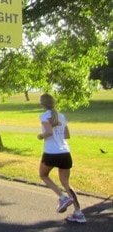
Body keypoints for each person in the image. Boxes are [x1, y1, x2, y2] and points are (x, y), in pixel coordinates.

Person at [37, 93, 85, 223]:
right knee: (66, 183)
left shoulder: (44, 116)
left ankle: (62, 197)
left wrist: (40, 136)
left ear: (42, 104)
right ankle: (78, 213)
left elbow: (49, 132)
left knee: (43, 175)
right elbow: (67, 135)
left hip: (51, 152)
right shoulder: (62, 116)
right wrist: (57, 132)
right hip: (64, 152)